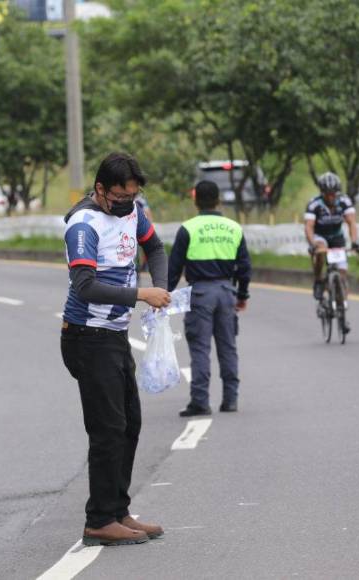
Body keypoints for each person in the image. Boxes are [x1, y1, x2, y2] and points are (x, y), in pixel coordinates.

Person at [60, 152, 171, 547]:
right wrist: (143, 293)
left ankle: (118, 509)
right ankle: (99, 520)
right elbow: (85, 286)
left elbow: (155, 249)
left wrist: (162, 289)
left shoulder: (133, 212)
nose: (127, 205)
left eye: (133, 197)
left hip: (114, 334)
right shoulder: (83, 225)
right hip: (87, 336)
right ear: (100, 189)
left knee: (130, 424)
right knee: (107, 429)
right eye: (120, 198)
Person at [168, 180, 252, 416]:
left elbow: (174, 268)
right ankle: (230, 399)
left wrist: (164, 295)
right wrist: (242, 295)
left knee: (200, 348)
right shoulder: (234, 228)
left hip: (200, 294)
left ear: (195, 200)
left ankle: (200, 401)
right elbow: (244, 267)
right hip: (227, 293)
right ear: (219, 200)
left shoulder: (188, 228)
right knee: (228, 347)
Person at [303, 172, 359, 313]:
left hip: (336, 236)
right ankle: (318, 280)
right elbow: (309, 226)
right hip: (320, 235)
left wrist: (354, 242)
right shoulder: (314, 204)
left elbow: (351, 223)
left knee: (342, 271)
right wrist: (312, 243)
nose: (331, 197)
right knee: (321, 250)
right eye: (328, 194)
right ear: (322, 193)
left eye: (334, 194)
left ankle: (341, 305)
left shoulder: (344, 201)